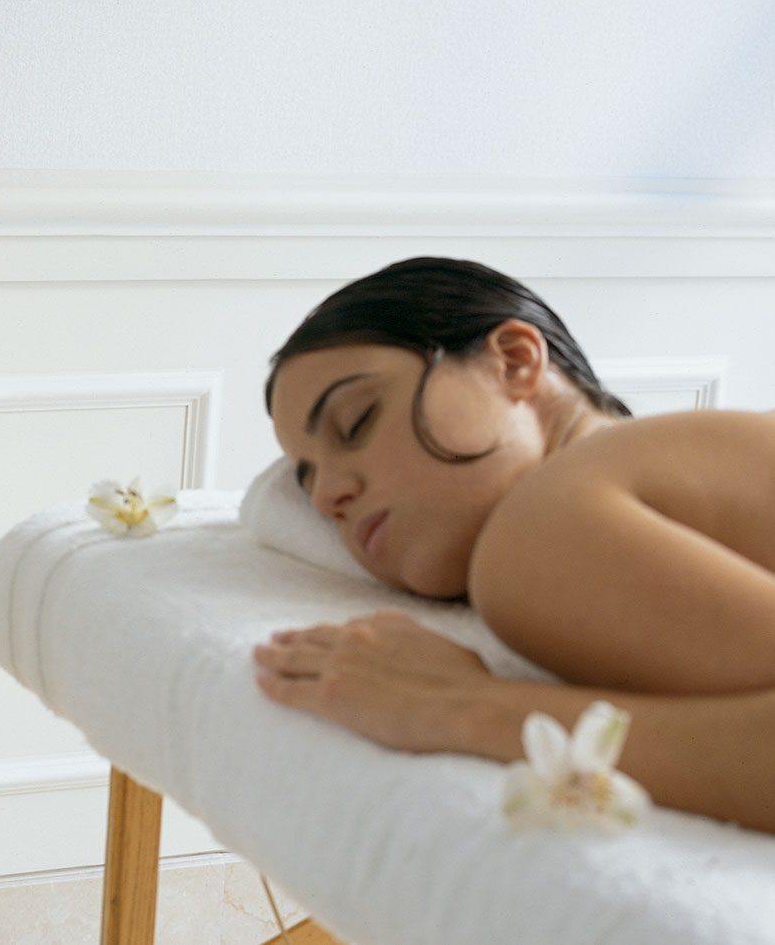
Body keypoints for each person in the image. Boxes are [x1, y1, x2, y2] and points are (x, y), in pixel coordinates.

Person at [250, 256, 775, 834]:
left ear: (515, 363)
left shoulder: (543, 526)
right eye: (307, 479)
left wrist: (466, 707)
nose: (327, 498)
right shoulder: (653, 473)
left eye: (356, 422)